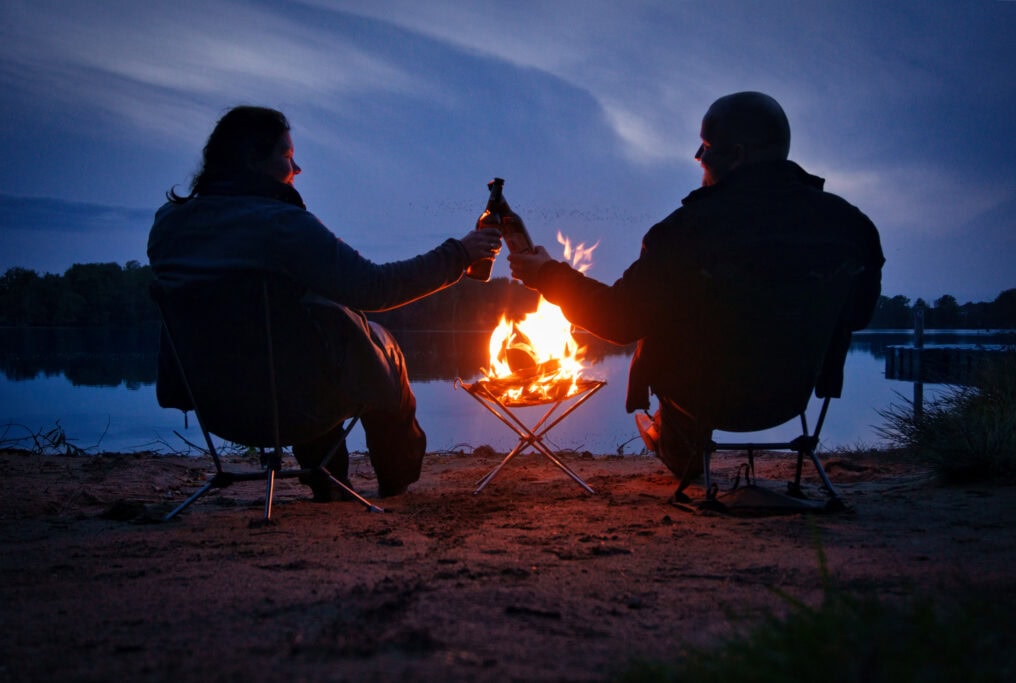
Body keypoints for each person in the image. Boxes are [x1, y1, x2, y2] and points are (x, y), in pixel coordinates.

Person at [509, 91, 884, 489]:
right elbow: (858, 314)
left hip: (705, 400)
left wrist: (547, 274)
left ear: (736, 154)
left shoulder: (684, 232)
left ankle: (679, 446)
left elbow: (618, 319)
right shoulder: (851, 226)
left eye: (705, 147)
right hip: (791, 398)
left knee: (665, 317)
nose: (697, 158)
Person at [148, 105, 501, 500]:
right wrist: (461, 253)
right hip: (290, 408)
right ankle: (395, 483)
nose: (296, 168)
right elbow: (375, 288)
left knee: (313, 326)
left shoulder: (168, 224)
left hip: (214, 406)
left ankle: (328, 481)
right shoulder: (280, 225)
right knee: (381, 344)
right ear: (251, 160)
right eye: (286, 156)